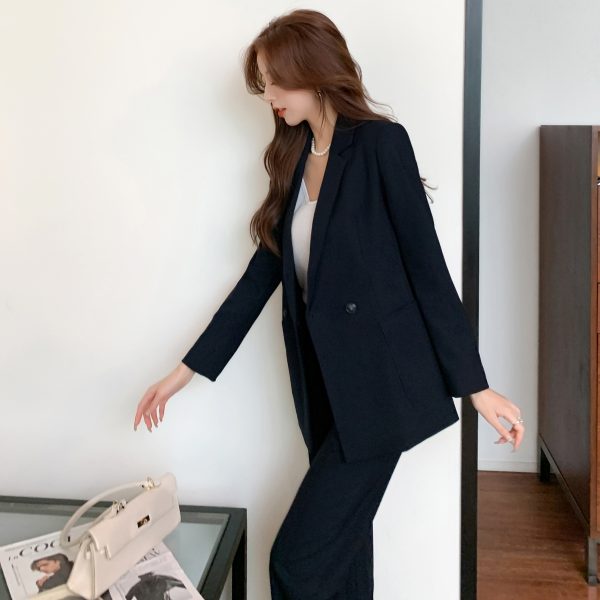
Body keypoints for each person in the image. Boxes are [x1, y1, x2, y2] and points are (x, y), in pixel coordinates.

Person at [133, 8, 525, 598]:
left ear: (313, 74)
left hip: (382, 390)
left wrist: (476, 386)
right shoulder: (295, 158)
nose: (269, 96)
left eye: (276, 82)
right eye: (264, 84)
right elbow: (259, 279)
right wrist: (183, 372)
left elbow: (427, 269)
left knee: (296, 560)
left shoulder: (379, 144)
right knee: (343, 555)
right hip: (325, 388)